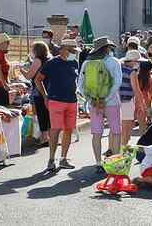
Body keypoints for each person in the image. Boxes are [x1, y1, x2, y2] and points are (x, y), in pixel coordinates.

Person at [35, 40, 80, 172]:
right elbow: (38, 79)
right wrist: (45, 96)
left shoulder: (74, 62)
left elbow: (74, 80)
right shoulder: (52, 63)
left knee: (68, 130)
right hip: (56, 101)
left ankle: (63, 159)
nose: (73, 53)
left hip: (72, 100)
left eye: (74, 50)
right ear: (62, 49)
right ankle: (51, 159)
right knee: (56, 129)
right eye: (71, 50)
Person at [77, 38, 122, 162]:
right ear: (107, 48)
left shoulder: (87, 63)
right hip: (111, 101)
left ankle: (98, 163)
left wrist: (91, 100)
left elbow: (80, 85)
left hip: (93, 102)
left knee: (97, 133)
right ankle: (115, 161)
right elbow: (117, 83)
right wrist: (105, 99)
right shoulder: (114, 62)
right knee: (116, 130)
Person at [24, 41, 51, 146]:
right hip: (49, 88)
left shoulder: (37, 60)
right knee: (48, 113)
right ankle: (48, 137)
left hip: (39, 89)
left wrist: (20, 69)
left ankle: (43, 138)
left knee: (40, 113)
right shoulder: (49, 58)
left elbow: (29, 76)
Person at [119, 50, 142, 144]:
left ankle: (118, 150)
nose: (138, 63)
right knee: (126, 129)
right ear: (133, 61)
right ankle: (123, 151)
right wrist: (141, 104)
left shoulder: (119, 69)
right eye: (137, 61)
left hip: (117, 100)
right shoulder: (131, 72)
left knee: (120, 129)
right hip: (127, 101)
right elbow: (136, 89)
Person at [136, 60, 152, 131]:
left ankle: (143, 123)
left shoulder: (137, 76)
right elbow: (151, 91)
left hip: (138, 99)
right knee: (148, 110)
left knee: (140, 114)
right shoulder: (150, 77)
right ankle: (149, 121)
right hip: (147, 99)